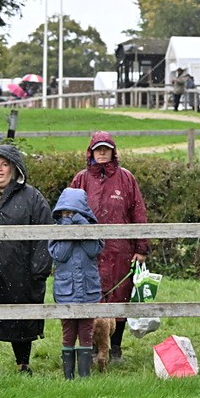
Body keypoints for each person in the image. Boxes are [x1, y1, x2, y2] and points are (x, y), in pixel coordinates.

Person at [69, 132, 149, 364]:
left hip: (120, 250)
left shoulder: (126, 179)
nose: (102, 153)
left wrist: (141, 248)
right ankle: (93, 347)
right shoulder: (80, 180)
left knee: (119, 297)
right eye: (98, 149)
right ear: (91, 152)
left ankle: (115, 348)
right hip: (87, 252)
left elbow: (138, 213)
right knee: (91, 297)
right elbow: (68, 212)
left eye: (106, 149)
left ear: (113, 152)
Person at [0, 145, 52, 374]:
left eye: (4, 164)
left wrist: (38, 270)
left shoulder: (32, 197)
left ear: (14, 168)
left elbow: (45, 234)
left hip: (20, 271)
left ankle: (23, 364)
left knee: (21, 316)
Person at [48, 188, 103, 379]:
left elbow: (92, 250)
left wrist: (82, 226)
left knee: (86, 330)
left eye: (73, 213)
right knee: (68, 330)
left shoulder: (92, 229)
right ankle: (68, 375)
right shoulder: (57, 231)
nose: (69, 216)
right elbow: (60, 255)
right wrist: (68, 231)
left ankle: (85, 375)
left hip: (88, 289)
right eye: (65, 213)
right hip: (66, 289)